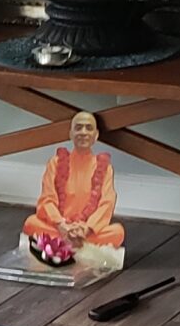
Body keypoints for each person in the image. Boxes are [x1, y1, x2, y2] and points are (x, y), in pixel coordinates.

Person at [22, 110, 125, 271]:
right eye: (78, 128)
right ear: (71, 134)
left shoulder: (105, 168)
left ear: (96, 135)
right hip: (59, 227)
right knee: (31, 223)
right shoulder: (55, 163)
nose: (83, 133)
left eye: (88, 128)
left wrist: (87, 228)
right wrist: (62, 225)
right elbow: (47, 199)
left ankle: (68, 244)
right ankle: (77, 245)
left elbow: (107, 203)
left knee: (117, 232)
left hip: (87, 230)